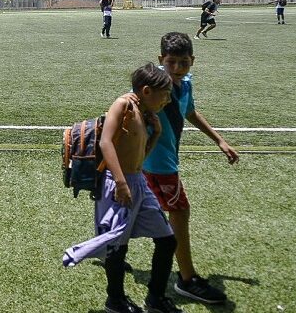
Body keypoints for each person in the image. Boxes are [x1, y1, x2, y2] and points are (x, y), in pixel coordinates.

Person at [62, 63, 181, 313]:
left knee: (167, 239)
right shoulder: (123, 104)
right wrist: (120, 182)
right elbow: (106, 142)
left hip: (138, 181)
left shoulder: (144, 112)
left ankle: (155, 298)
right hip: (118, 183)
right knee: (118, 245)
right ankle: (115, 301)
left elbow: (138, 156)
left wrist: (156, 133)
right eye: (164, 94)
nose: (167, 100)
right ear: (147, 90)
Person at [143, 32, 239, 305]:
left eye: (183, 63)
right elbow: (130, 105)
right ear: (161, 59)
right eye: (171, 62)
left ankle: (105, 249)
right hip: (157, 164)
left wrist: (219, 140)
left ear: (192, 61)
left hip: (164, 162)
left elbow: (190, 112)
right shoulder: (152, 85)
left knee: (134, 210)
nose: (176, 69)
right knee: (179, 211)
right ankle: (186, 279)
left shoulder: (185, 84)